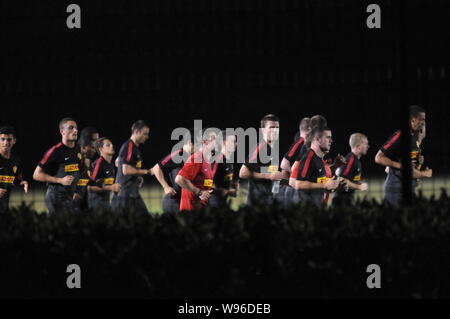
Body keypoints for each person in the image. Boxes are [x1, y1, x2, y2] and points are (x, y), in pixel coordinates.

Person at [375, 105, 432, 206]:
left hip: (408, 187)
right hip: (396, 189)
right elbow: (378, 158)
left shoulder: (415, 135)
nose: (423, 123)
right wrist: (402, 165)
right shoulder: (399, 136)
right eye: (421, 120)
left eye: (425, 120)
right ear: (412, 120)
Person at [33, 118, 81, 214]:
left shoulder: (78, 149)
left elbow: (79, 171)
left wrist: (78, 191)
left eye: (76, 128)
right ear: (62, 131)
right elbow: (36, 175)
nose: (75, 130)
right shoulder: (55, 151)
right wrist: (60, 180)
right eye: (71, 128)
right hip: (56, 196)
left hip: (71, 196)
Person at [289, 126, 341, 207]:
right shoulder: (308, 157)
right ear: (318, 139)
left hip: (316, 209)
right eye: (328, 137)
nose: (331, 141)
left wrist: (335, 185)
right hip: (305, 211)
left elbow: (319, 184)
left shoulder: (320, 160)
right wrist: (325, 185)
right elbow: (298, 184)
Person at [239, 114, 283, 206]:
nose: (275, 130)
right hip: (257, 201)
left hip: (267, 198)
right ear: (263, 130)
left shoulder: (273, 150)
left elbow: (269, 171)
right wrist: (268, 176)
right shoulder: (260, 148)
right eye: (271, 127)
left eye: (277, 127)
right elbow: (243, 173)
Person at [111, 120, 153, 213]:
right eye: (145, 134)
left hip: (132, 193)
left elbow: (118, 162)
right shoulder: (129, 146)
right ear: (137, 132)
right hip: (124, 196)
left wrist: (137, 177)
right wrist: (146, 171)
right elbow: (126, 170)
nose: (147, 137)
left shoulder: (133, 147)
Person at [175, 129, 219, 211]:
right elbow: (179, 179)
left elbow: (202, 183)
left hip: (200, 210)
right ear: (204, 141)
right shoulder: (197, 158)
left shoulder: (207, 160)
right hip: (190, 212)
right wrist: (199, 192)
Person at [280, 117, 310, 206]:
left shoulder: (306, 144)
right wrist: (297, 175)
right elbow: (284, 164)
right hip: (293, 189)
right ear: (309, 129)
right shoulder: (300, 142)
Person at [333, 133, 370, 206]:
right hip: (341, 201)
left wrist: (358, 183)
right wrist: (359, 187)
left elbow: (348, 179)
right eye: (365, 144)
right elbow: (342, 180)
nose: (368, 146)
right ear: (358, 146)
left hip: (345, 199)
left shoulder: (354, 159)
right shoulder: (351, 160)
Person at [0, 126, 28, 213]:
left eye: (9, 140)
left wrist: (21, 182)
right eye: (2, 139)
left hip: (4, 208)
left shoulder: (16, 160)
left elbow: (14, 179)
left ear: (14, 141)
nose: (5, 143)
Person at [88, 137, 121, 210]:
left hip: (105, 203)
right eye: (108, 145)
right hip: (95, 205)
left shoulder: (111, 165)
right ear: (101, 149)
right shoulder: (98, 163)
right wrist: (111, 187)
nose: (112, 146)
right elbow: (90, 187)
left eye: (111, 144)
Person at [209, 130, 238, 209]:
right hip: (214, 204)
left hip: (224, 202)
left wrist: (233, 185)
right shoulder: (216, 160)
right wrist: (227, 191)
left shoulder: (229, 161)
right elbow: (207, 183)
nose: (237, 144)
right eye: (234, 141)